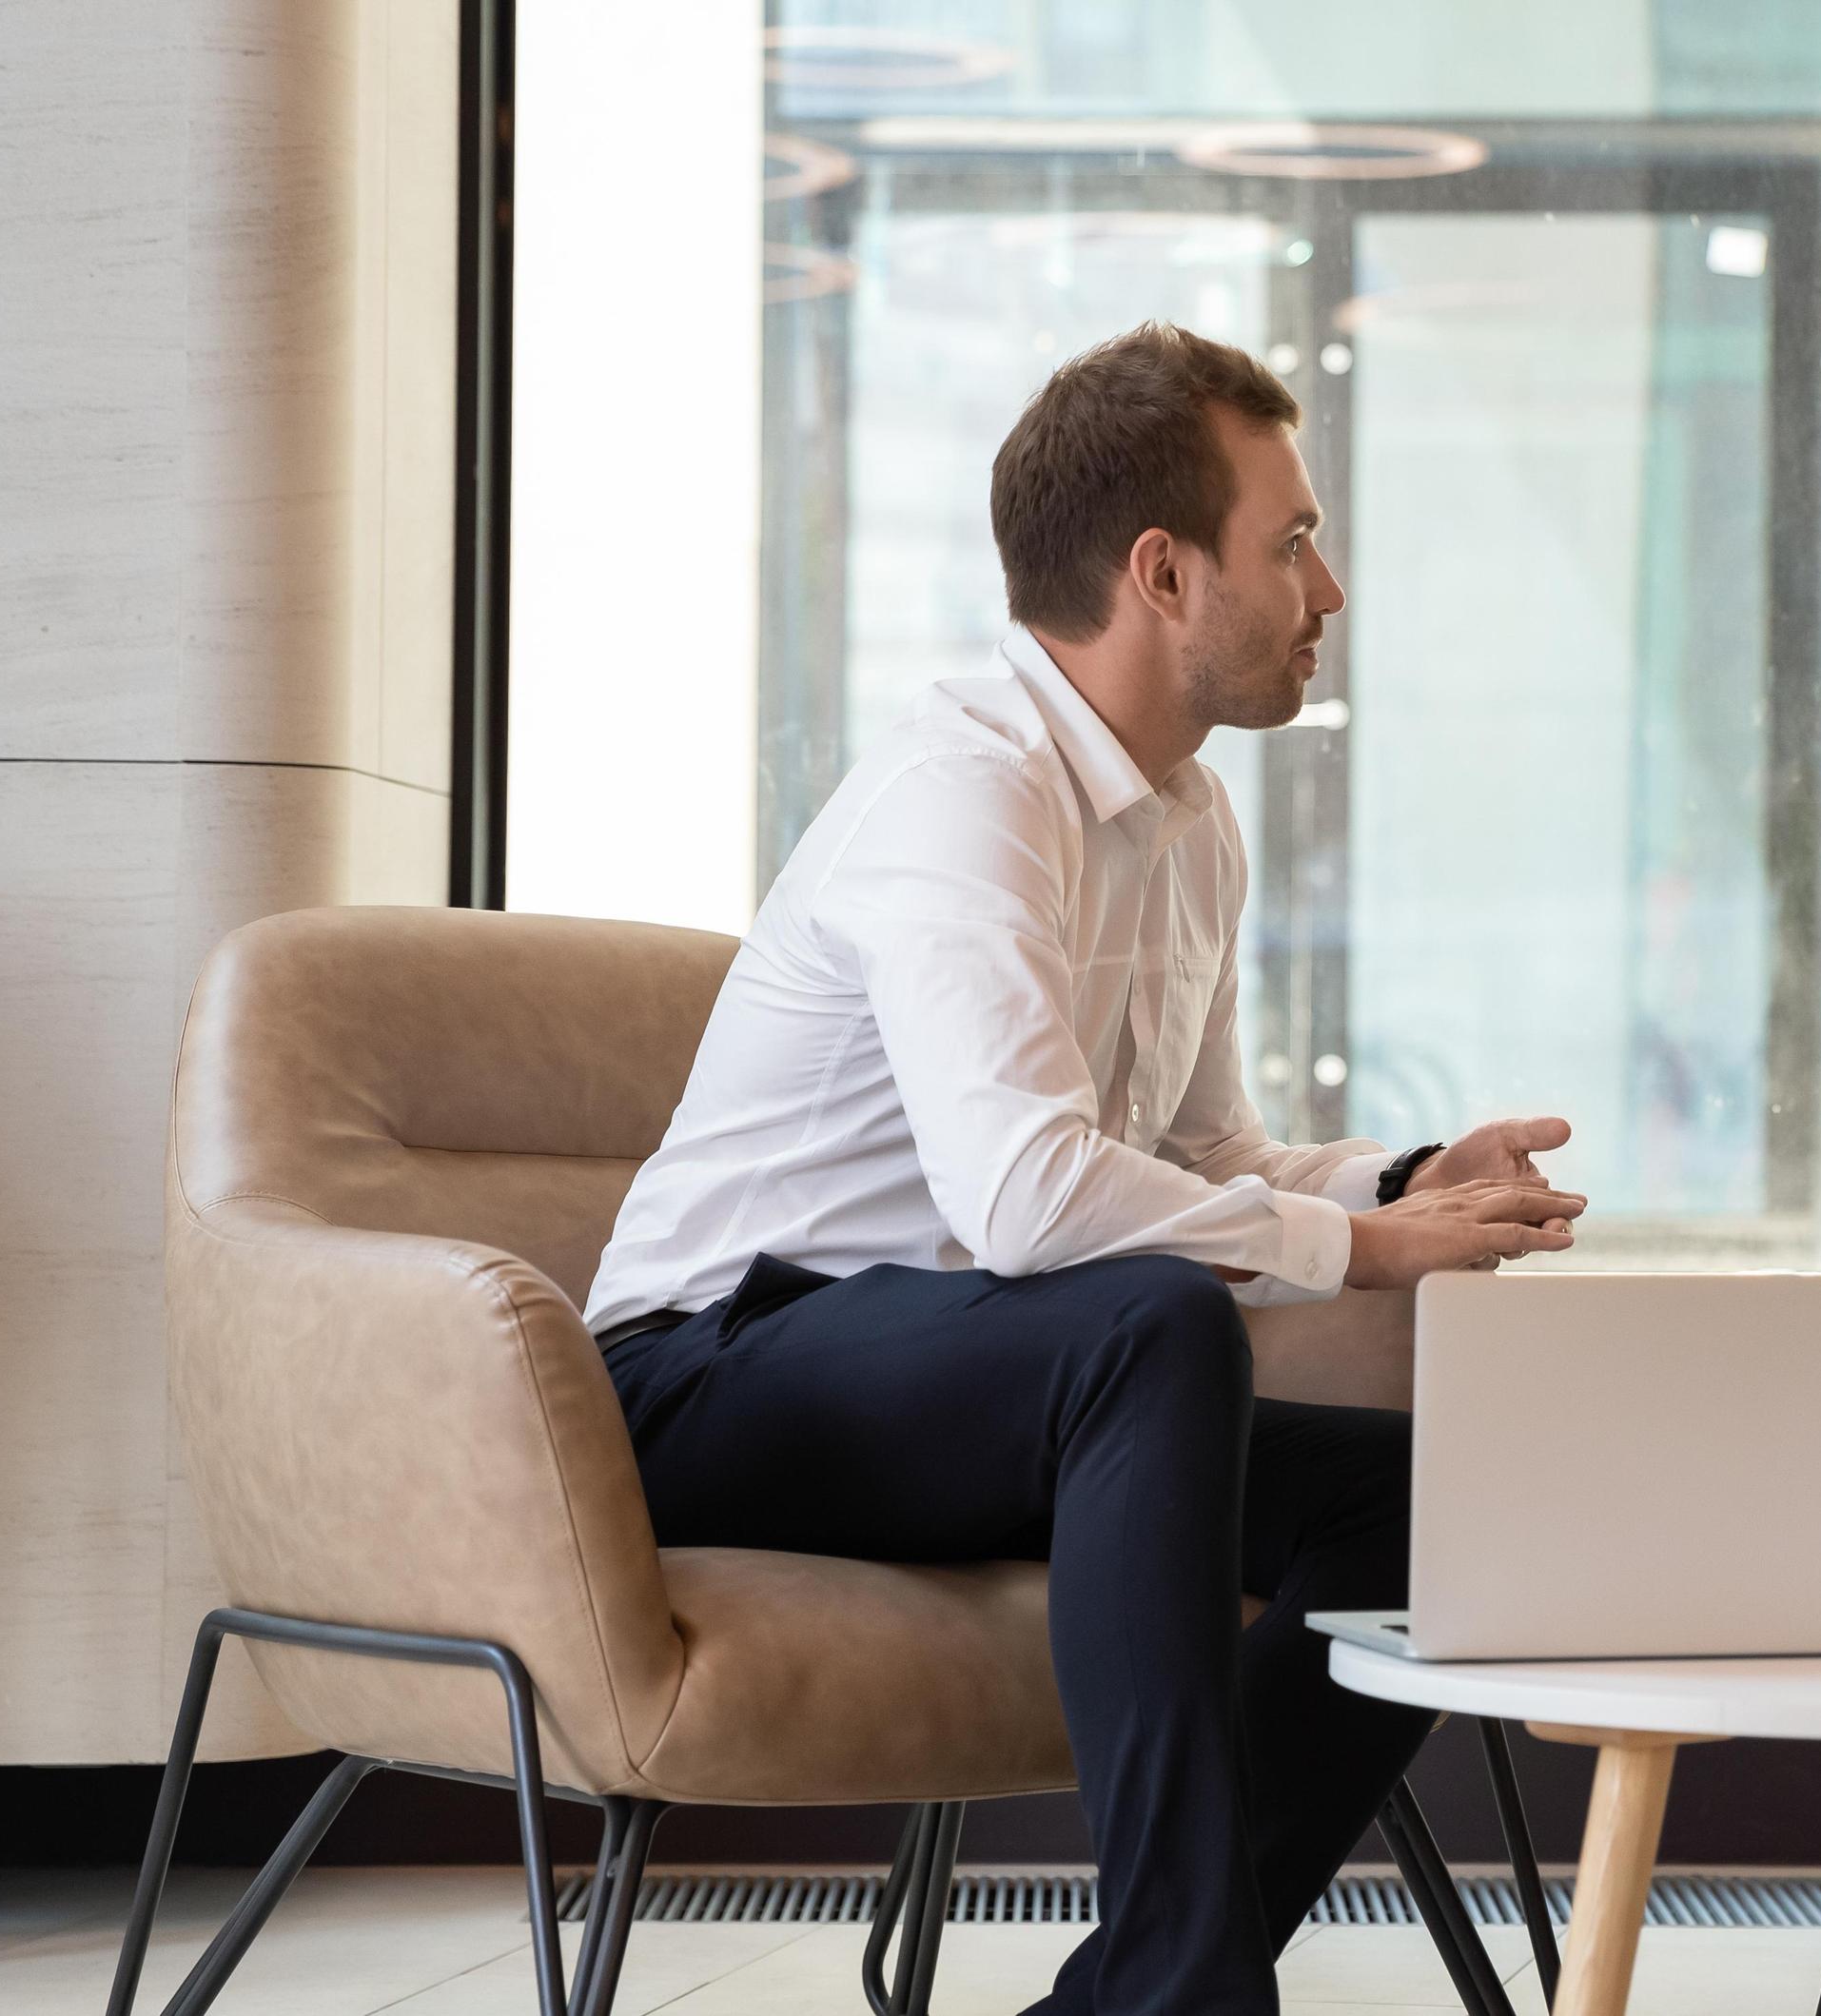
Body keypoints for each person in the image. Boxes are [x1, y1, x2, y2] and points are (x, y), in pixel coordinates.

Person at [578, 323, 1588, 2016]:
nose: (1327, 587)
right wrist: (1368, 1257)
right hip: (709, 1376)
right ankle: (1191, 1996)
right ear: (1163, 572)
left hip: (979, 1376)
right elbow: (1034, 1202)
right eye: (1294, 542)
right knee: (1151, 1324)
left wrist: (1403, 1183)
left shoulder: (1189, 819)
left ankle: (1134, 1989)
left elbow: (1204, 1160)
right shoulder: (964, 793)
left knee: (1438, 1511)